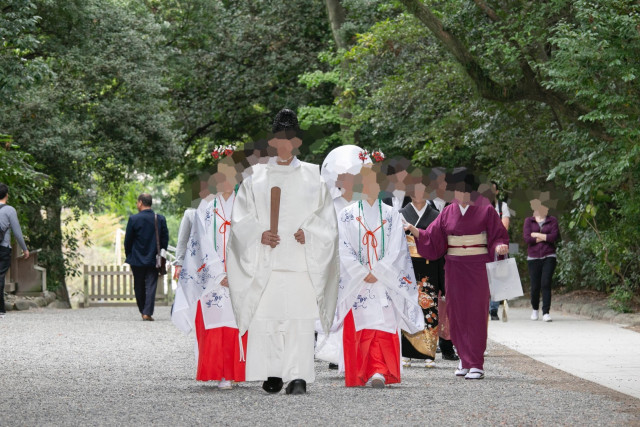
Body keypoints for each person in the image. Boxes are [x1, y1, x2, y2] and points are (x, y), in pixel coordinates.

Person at [226, 109, 340, 395]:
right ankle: (272, 373)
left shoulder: (314, 176)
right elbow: (241, 217)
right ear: (273, 142)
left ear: (297, 142)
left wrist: (310, 232)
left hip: (301, 260)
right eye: (280, 138)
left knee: (299, 320)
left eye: (290, 138)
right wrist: (258, 234)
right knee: (268, 319)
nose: (285, 144)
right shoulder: (256, 177)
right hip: (267, 260)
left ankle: (299, 376)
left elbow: (326, 217)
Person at [405, 169, 509, 379]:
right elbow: (433, 237)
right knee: (456, 313)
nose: (460, 194)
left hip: (477, 266)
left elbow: (499, 235)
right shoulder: (448, 211)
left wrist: (499, 246)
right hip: (454, 267)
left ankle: (476, 362)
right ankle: (463, 358)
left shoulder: (486, 209)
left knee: (476, 313)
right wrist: (414, 231)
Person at [336, 167, 423, 388]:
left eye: (374, 183)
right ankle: (361, 372)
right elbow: (342, 248)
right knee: (362, 324)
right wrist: (361, 272)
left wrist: (379, 271)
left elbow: (397, 249)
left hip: (384, 280)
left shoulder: (392, 214)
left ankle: (379, 371)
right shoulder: (346, 214)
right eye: (365, 183)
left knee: (383, 324)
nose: (369, 187)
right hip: (358, 281)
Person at [399, 171, 442, 368]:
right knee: (408, 306)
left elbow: (439, 243)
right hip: (406, 266)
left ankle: (428, 353)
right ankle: (407, 352)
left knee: (429, 306)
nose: (418, 193)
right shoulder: (400, 213)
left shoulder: (435, 215)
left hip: (428, 264)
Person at [124, 193, 169, 321]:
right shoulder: (159, 219)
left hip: (137, 258)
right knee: (151, 285)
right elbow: (165, 239)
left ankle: (142, 309)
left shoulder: (133, 219)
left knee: (138, 285)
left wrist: (129, 255)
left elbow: (128, 241)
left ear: (140, 202)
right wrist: (160, 253)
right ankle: (147, 312)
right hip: (153, 258)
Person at [524, 197, 559, 322]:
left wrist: (537, 234)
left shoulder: (552, 220)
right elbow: (528, 239)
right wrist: (545, 237)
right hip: (533, 257)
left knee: (546, 283)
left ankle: (546, 312)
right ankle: (535, 309)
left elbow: (554, 237)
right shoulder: (529, 221)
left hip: (549, 255)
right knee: (535, 286)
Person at [0, 184, 29, 318]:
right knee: (0, 276)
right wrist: (24, 249)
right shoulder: (9, 210)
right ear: (7, 195)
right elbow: (17, 232)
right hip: (3, 248)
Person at [488, 180, 511, 320]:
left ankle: (494, 308)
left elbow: (504, 228)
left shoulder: (502, 206)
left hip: (498, 245)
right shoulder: (479, 206)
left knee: (497, 276)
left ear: (496, 191)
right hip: (483, 245)